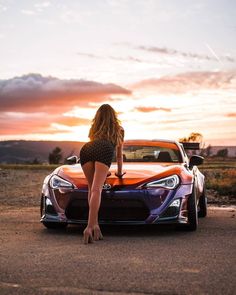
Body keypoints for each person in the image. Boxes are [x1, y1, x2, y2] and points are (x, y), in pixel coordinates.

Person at [79, 104, 125, 244]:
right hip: (103, 150)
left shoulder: (94, 128)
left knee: (91, 188)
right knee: (97, 190)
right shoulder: (119, 130)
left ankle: (95, 225)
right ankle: (88, 227)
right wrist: (119, 172)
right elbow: (119, 156)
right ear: (113, 116)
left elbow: (93, 142)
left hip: (86, 150)